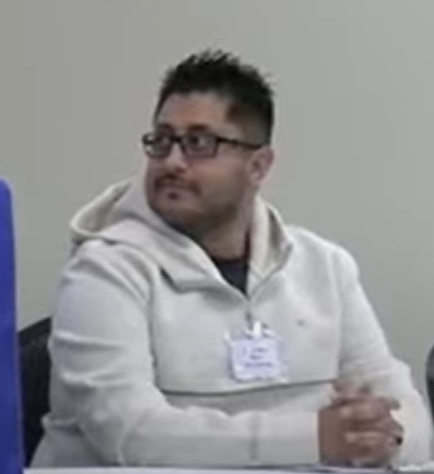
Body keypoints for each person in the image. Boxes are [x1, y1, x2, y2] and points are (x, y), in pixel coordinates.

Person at [34, 50, 432, 469]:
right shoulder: (103, 270)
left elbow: (400, 406)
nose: (171, 161)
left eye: (198, 144)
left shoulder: (325, 267)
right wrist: (314, 439)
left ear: (258, 166)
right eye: (162, 140)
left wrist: (388, 439)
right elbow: (131, 435)